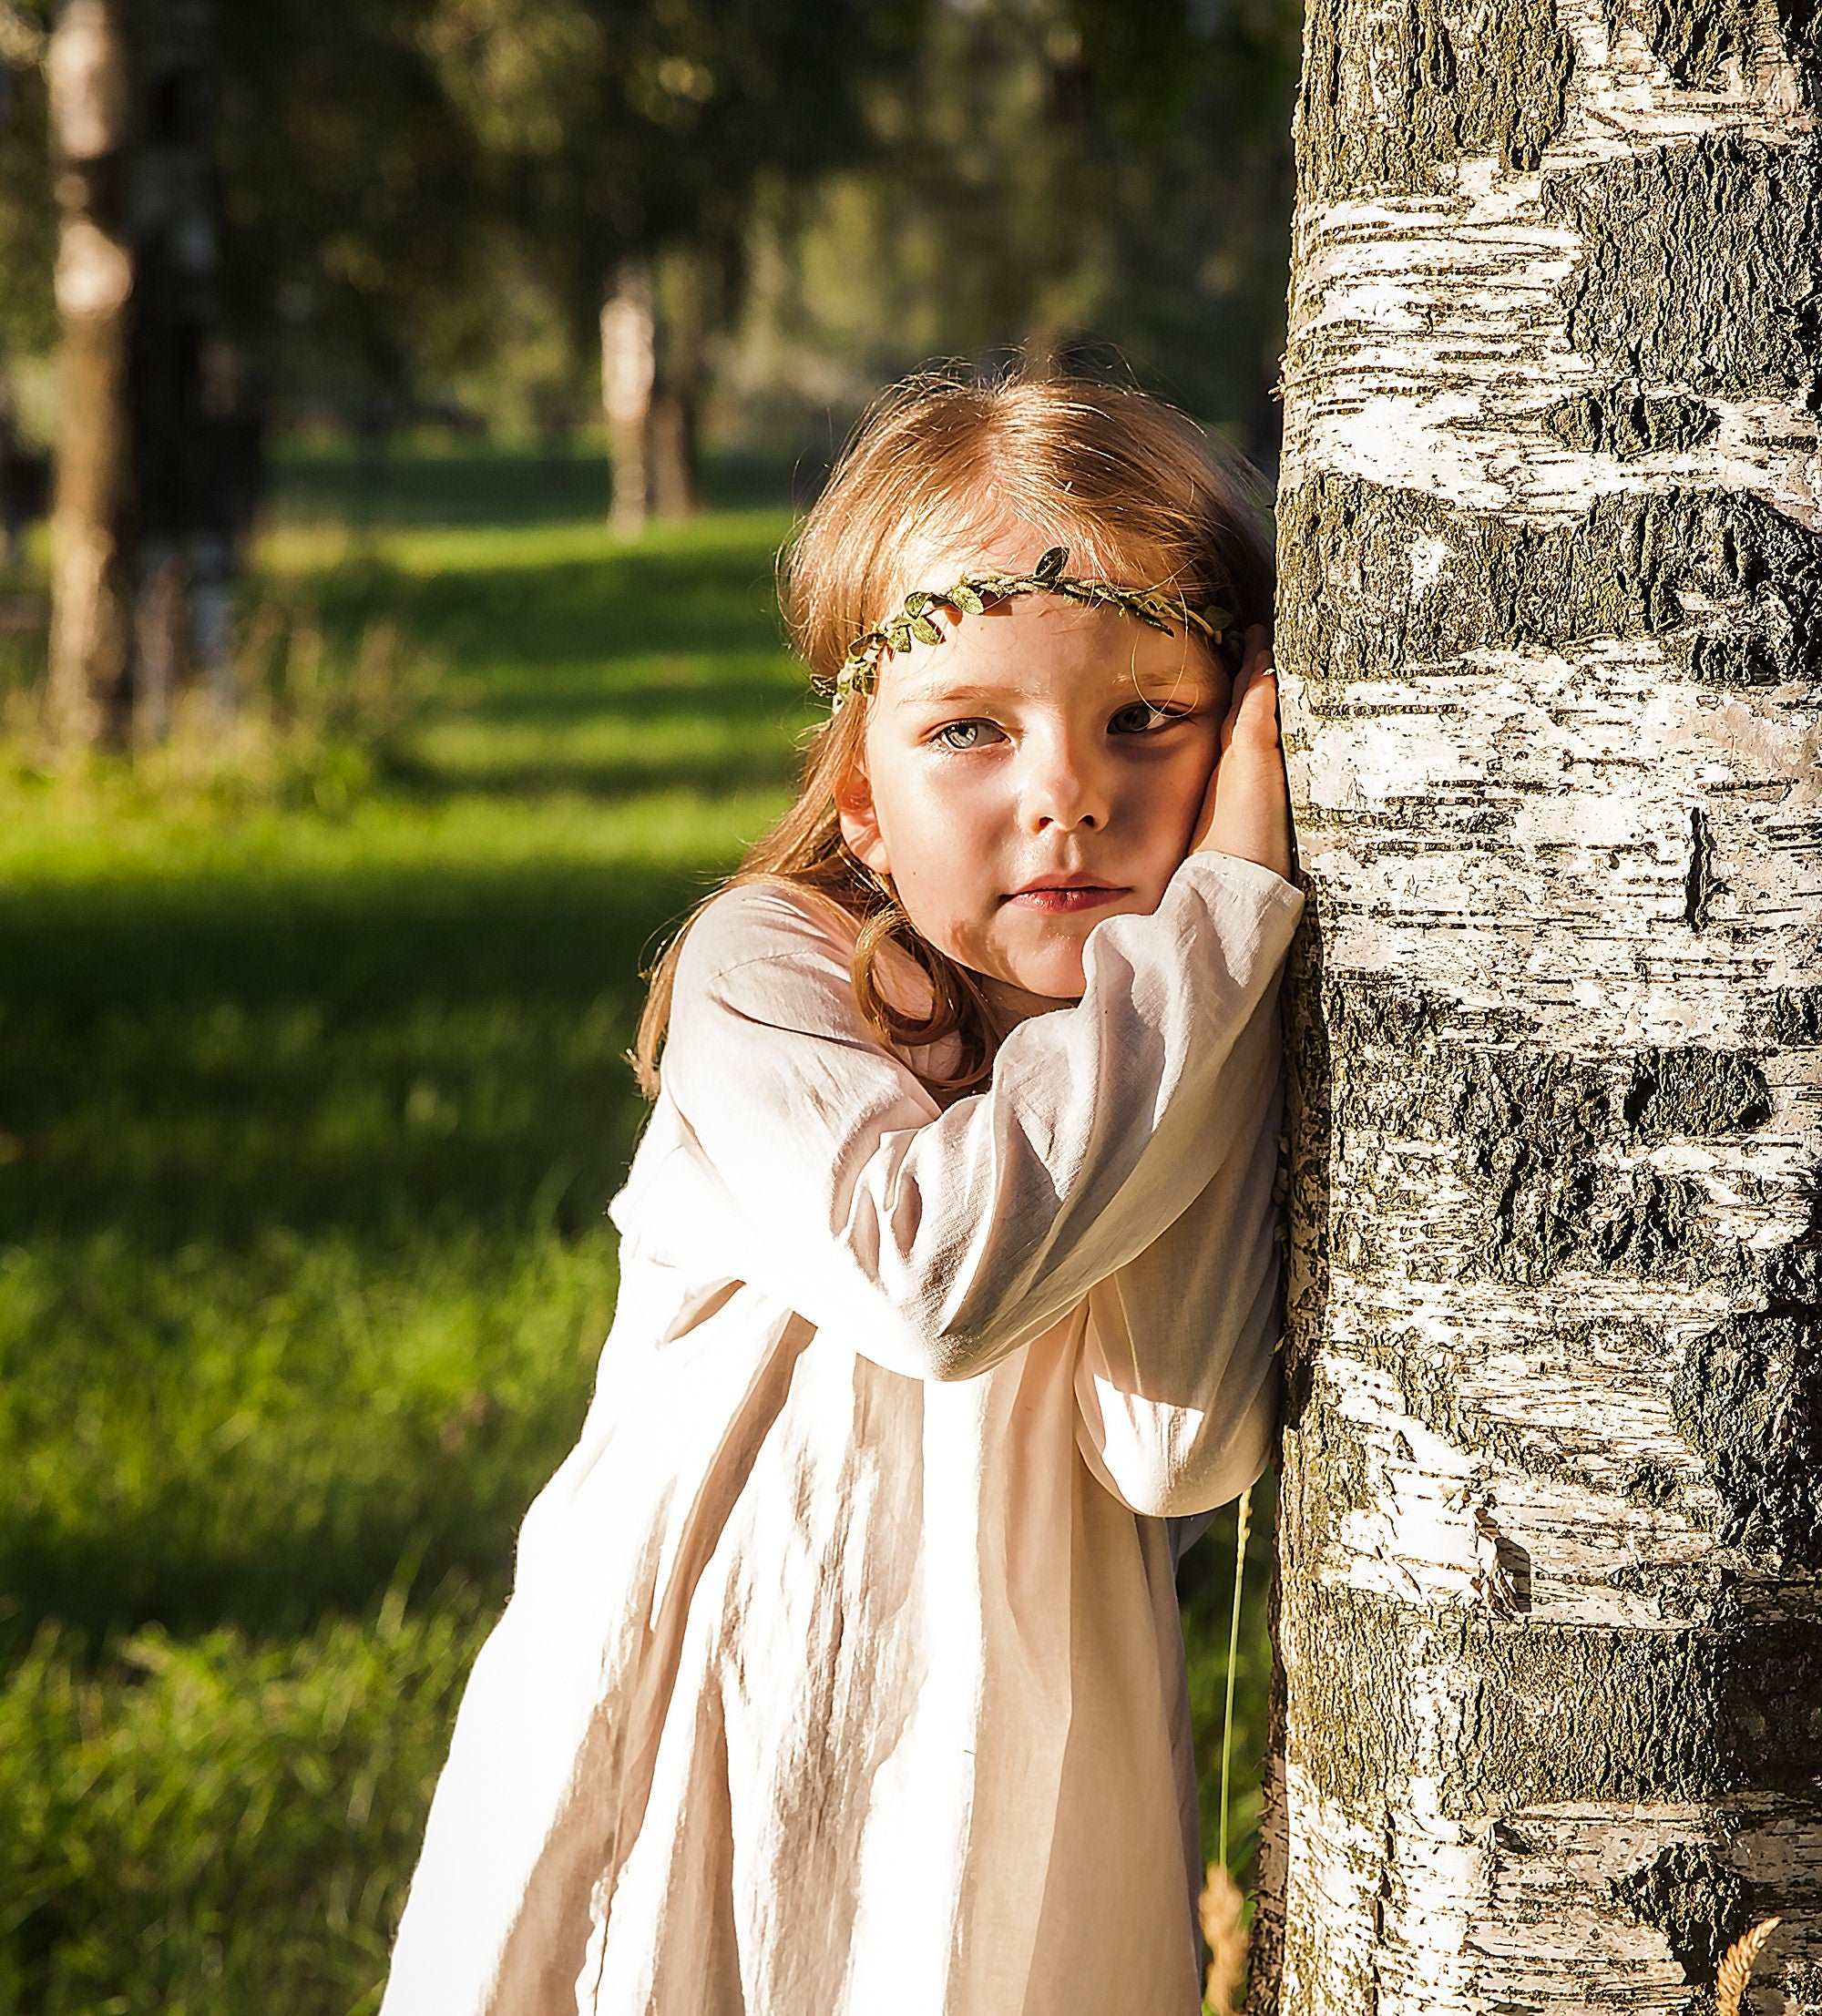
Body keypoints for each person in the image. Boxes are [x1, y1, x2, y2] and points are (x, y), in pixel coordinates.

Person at [377, 361, 1305, 2016]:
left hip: (1013, 1773)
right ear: (863, 799)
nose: (1067, 791)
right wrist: (1219, 910)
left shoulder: (1165, 1036)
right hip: (717, 1727)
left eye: (1147, 721)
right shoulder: (770, 969)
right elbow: (931, 1273)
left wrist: (1184, 998)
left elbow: (1177, 1445)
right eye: (971, 729)